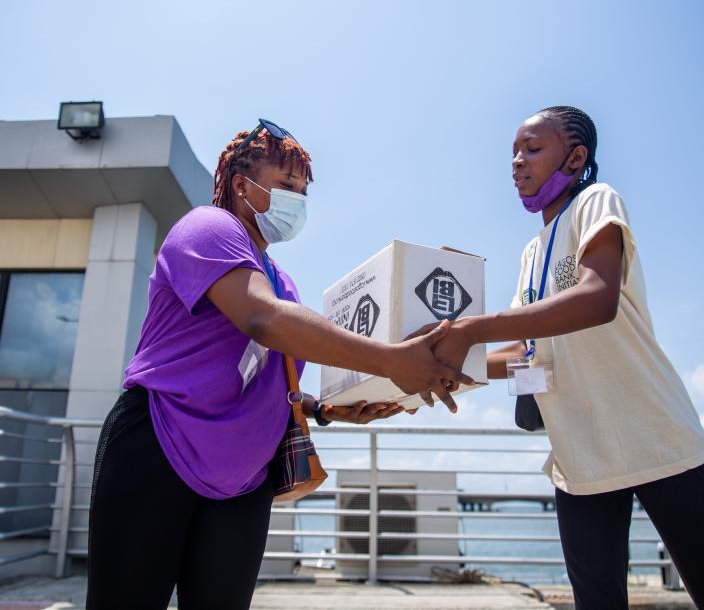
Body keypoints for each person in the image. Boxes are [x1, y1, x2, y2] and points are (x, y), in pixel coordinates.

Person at [86, 118, 471, 610]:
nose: (298, 201)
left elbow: (263, 375)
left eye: (304, 191)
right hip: (161, 447)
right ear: (242, 185)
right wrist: (395, 360)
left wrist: (329, 408)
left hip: (244, 479)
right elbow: (262, 320)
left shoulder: (282, 281)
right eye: (287, 185)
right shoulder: (208, 228)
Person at [410, 106, 704, 609]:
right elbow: (527, 351)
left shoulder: (596, 202)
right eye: (513, 153)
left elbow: (597, 297)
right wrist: (442, 364)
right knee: (596, 601)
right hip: (581, 453)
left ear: (576, 156)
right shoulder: (531, 253)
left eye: (532, 148)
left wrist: (474, 327)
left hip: (656, 437)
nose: (517, 162)